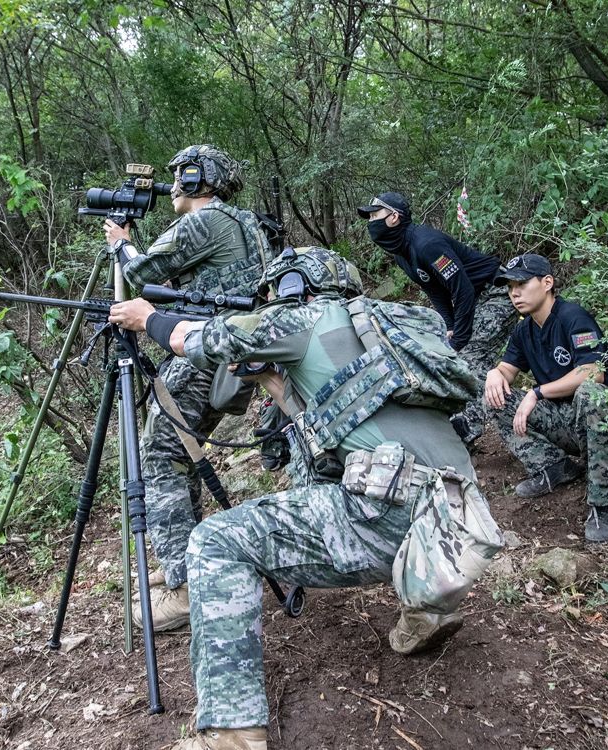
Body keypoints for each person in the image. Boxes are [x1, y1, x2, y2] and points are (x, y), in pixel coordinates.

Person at [110, 247, 501, 750]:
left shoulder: (299, 317)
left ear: (293, 287)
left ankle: (231, 733)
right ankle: (429, 606)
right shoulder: (394, 324)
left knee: (215, 541)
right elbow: (336, 419)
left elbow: (198, 340)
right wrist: (275, 382)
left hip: (386, 507)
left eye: (274, 294)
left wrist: (149, 318)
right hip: (455, 518)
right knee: (329, 483)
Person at [106, 144, 274, 630]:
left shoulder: (207, 221)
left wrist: (120, 241)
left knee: (160, 453)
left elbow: (139, 272)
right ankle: (186, 558)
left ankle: (181, 590)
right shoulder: (244, 222)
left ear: (200, 179)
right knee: (181, 451)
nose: (173, 184)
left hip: (204, 353)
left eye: (181, 174)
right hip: (227, 351)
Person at [484, 253, 608, 542]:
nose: (514, 292)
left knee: (590, 393)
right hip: (568, 422)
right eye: (509, 287)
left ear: (547, 283)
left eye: (521, 283)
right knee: (495, 397)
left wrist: (537, 392)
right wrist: (495, 374)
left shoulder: (572, 317)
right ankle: (555, 467)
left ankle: (603, 501)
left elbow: (594, 372)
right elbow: (507, 369)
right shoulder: (524, 330)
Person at [358, 192, 517, 446]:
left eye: (375, 215)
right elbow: (434, 289)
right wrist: (450, 327)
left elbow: (461, 288)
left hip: (498, 291)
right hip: (474, 298)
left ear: (394, 217)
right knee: (446, 352)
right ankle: (454, 419)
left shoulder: (426, 244)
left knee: (470, 355)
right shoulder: (402, 253)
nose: (370, 222)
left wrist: (460, 338)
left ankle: (467, 429)